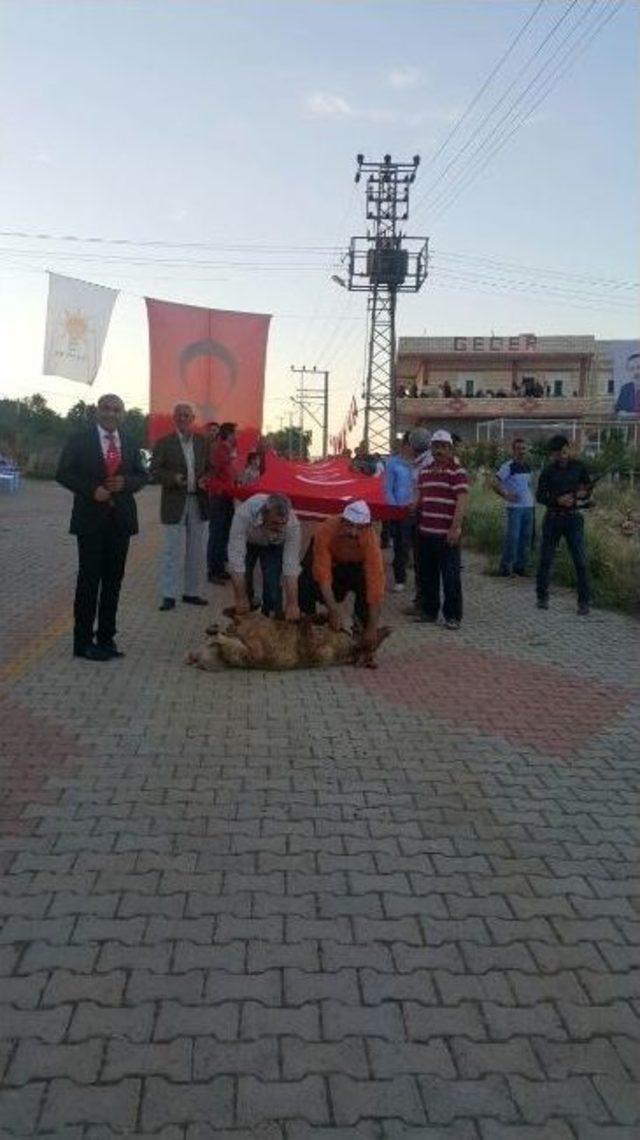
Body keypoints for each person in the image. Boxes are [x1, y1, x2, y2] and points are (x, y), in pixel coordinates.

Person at [56, 393, 147, 661]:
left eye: (116, 409)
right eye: (106, 408)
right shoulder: (80, 440)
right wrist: (91, 490)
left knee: (113, 582)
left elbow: (142, 476)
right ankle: (83, 643)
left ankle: (106, 638)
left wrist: (126, 483)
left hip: (121, 522)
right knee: (88, 582)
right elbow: (63, 473)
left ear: (123, 414)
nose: (111, 413)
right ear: (97, 411)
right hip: (90, 521)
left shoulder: (130, 442)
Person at [299, 500, 384, 651]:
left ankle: (362, 635)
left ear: (367, 527)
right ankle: (306, 628)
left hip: (354, 566)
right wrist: (333, 611)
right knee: (306, 580)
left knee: (366, 587)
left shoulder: (371, 540)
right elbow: (323, 574)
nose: (353, 533)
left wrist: (372, 628)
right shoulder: (325, 530)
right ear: (342, 521)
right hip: (330, 561)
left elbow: (375, 586)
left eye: (359, 528)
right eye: (349, 526)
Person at [150, 403, 209, 612]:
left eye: (187, 415)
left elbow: (210, 468)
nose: (183, 418)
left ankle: (191, 593)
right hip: (174, 502)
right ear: (174, 418)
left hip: (198, 502)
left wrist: (205, 479)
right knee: (171, 550)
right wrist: (172, 478)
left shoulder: (202, 442)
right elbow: (154, 472)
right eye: (180, 415)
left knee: (197, 550)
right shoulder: (164, 443)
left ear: (193, 418)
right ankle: (169, 595)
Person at [414, 429, 469, 630]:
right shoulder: (425, 471)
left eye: (443, 447)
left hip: (447, 534)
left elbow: (462, 500)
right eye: (436, 446)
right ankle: (429, 612)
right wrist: (410, 507)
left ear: (450, 448)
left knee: (450, 576)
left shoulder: (457, 471)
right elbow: (421, 497)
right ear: (431, 448)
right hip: (426, 531)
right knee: (428, 575)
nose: (439, 450)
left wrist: (455, 529)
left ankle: (453, 616)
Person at [535, 435, 592, 615]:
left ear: (568, 449)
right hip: (553, 518)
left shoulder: (579, 467)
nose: (561, 456)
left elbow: (587, 489)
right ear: (553, 454)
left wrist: (583, 495)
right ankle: (542, 596)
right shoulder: (548, 471)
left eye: (564, 451)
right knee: (546, 559)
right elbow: (540, 496)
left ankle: (584, 601)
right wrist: (558, 499)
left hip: (574, 519)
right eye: (557, 453)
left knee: (581, 561)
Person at [228, 493, 301, 619]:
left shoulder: (292, 525)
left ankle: (272, 617)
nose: (279, 527)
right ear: (264, 514)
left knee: (272, 582)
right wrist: (240, 597)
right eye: (275, 523)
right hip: (249, 541)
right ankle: (246, 612)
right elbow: (236, 559)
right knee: (245, 578)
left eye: (283, 523)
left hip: (273, 545)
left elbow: (291, 566)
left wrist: (292, 603)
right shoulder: (243, 514)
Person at [492, 437, 535, 577]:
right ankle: (505, 567)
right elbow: (495, 483)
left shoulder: (528, 466)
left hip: (529, 507)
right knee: (513, 538)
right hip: (515, 508)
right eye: (518, 449)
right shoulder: (508, 466)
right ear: (513, 450)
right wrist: (506, 495)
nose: (521, 451)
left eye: (523, 448)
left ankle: (520, 567)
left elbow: (528, 485)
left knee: (525, 538)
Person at [207, 421, 237, 583]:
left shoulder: (226, 449)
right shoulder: (220, 448)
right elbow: (215, 471)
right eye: (235, 433)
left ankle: (219, 568)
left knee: (224, 534)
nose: (236, 436)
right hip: (219, 496)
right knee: (217, 535)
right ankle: (213, 571)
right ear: (229, 434)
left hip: (226, 496)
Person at [384, 438, 414, 592]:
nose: (413, 448)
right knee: (400, 546)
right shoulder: (393, 463)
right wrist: (395, 509)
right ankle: (400, 579)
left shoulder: (420, 463)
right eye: (410, 444)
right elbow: (388, 488)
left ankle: (422, 580)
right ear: (404, 446)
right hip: (400, 510)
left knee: (418, 546)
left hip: (418, 509)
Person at [615, 351, 640, 415]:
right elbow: (618, 410)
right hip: (629, 424)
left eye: (639, 367)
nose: (636, 372)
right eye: (632, 369)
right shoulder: (625, 389)